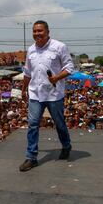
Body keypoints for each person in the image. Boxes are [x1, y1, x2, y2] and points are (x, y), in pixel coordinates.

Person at [19, 20, 74, 172]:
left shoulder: (59, 47)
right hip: (35, 93)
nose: (37, 34)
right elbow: (27, 72)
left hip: (53, 93)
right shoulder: (31, 50)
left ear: (48, 32)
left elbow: (69, 68)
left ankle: (66, 145)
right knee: (33, 124)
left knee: (59, 123)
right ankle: (31, 157)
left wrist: (56, 78)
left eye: (40, 31)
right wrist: (23, 90)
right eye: (34, 31)